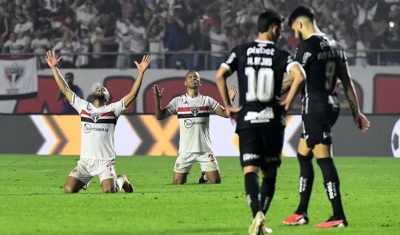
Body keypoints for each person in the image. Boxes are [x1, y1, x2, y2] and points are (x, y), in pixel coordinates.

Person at [215, 10, 306, 235]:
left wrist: (228, 106)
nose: (281, 34)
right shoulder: (280, 53)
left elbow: (220, 75)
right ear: (274, 28)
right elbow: (300, 75)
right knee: (269, 174)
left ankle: (256, 216)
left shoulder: (241, 51)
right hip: (272, 120)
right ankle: (261, 217)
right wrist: (287, 102)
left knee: (250, 171)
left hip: (247, 119)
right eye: (280, 30)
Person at [282, 6, 370, 228]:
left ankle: (338, 215)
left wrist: (270, 90)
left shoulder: (306, 46)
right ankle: (301, 211)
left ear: (301, 24)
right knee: (303, 155)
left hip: (315, 107)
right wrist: (356, 111)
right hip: (330, 105)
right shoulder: (335, 46)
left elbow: (294, 79)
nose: (294, 35)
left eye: (294, 30)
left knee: (323, 159)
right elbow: (347, 82)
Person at [45, 50, 152, 194]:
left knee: (109, 190)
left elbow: (133, 94)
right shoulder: (83, 107)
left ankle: (122, 180)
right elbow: (65, 89)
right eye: (98, 88)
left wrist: (141, 73)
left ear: (107, 98)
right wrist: (54, 68)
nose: (100, 89)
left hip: (105, 161)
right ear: (93, 94)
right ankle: (94, 180)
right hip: (85, 162)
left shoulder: (113, 109)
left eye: (104, 89)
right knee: (68, 190)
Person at [153, 70, 237, 185]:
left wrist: (230, 100)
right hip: (185, 151)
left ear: (200, 82)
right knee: (177, 183)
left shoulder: (207, 100)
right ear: (185, 83)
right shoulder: (178, 101)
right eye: (190, 77)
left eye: (196, 77)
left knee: (216, 181)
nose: (193, 79)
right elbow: (159, 116)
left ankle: (205, 176)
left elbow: (226, 114)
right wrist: (157, 101)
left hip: (205, 150)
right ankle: (193, 175)